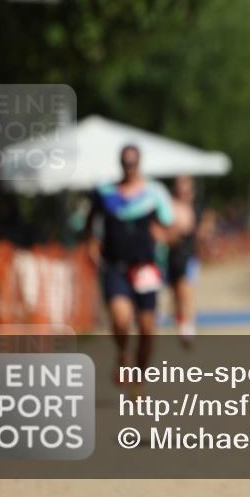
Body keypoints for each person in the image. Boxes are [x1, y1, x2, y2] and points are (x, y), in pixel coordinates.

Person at [85, 144, 173, 384]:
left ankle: (140, 376)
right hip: (115, 265)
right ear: (120, 164)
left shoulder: (154, 192)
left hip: (146, 267)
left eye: (133, 163)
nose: (129, 167)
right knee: (121, 319)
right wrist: (91, 245)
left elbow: (170, 226)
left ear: (139, 163)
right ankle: (123, 355)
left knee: (147, 329)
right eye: (125, 163)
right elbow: (89, 224)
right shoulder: (105, 193)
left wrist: (164, 235)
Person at [165, 175, 202, 348]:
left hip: (190, 256)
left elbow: (198, 229)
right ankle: (181, 320)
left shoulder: (195, 207)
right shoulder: (170, 206)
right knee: (176, 292)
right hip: (173, 255)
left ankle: (187, 323)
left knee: (186, 289)